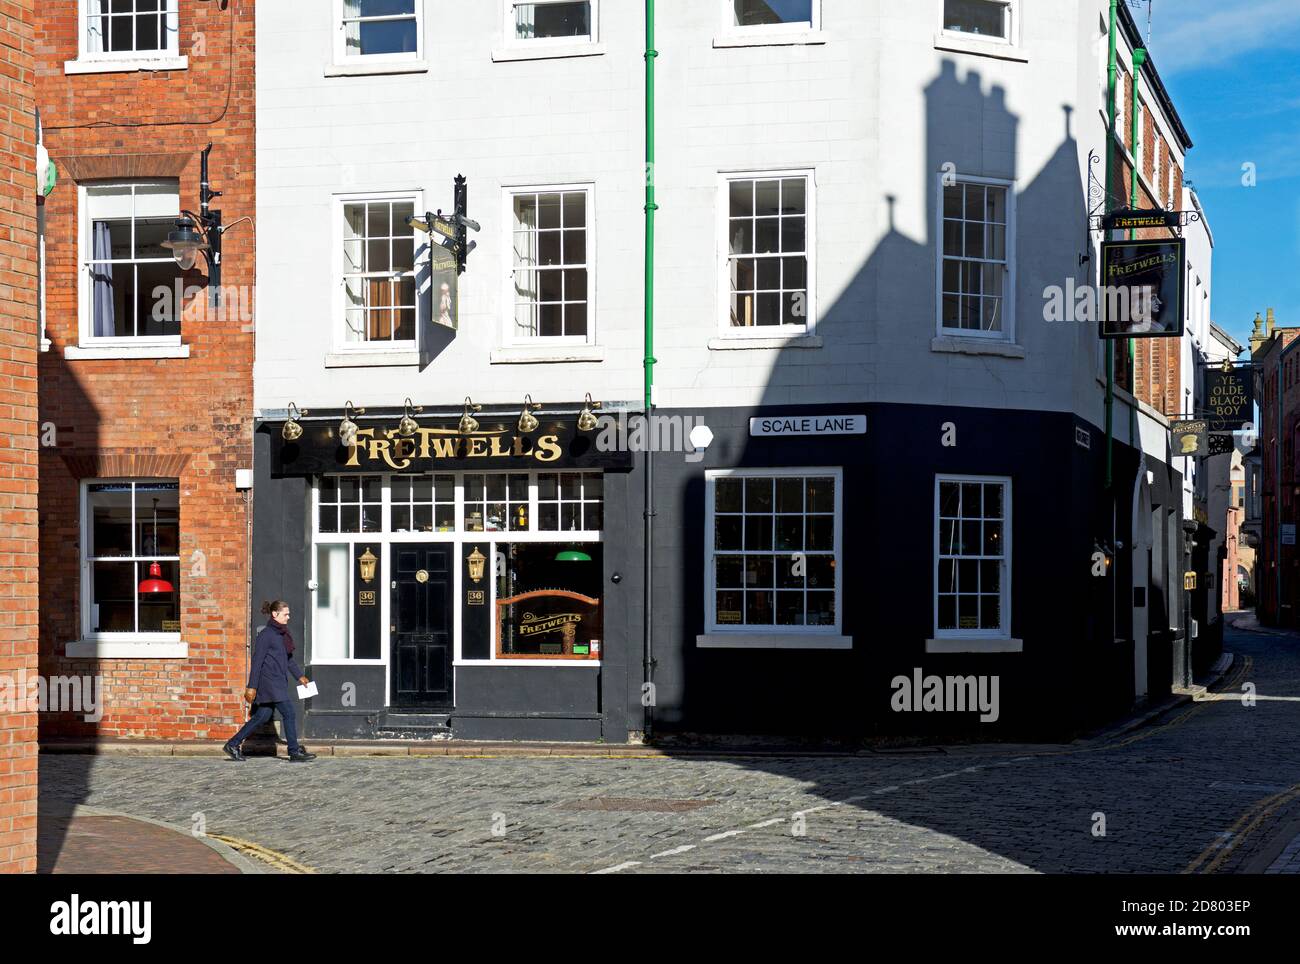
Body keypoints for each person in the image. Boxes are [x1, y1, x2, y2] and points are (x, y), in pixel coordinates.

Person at [223, 600, 316, 762]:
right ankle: (294, 752)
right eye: (285, 614)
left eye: (288, 613)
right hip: (270, 683)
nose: (288, 617)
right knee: (289, 712)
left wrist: (299, 676)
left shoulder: (282, 634)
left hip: (278, 681)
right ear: (275, 614)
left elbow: (288, 659)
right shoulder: (266, 635)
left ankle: (232, 744)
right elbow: (257, 661)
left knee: (262, 715)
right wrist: (251, 687)